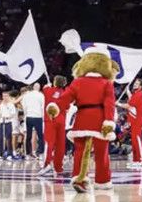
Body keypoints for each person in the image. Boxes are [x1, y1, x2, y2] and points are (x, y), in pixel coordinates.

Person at [51, 49, 117, 193]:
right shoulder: (107, 83)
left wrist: (55, 107)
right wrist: (109, 121)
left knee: (79, 151)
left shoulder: (77, 82)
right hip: (100, 118)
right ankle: (102, 181)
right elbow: (109, 104)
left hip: (82, 118)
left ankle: (79, 179)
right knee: (102, 152)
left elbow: (65, 99)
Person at [40, 75, 68, 176]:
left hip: (50, 120)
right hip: (61, 120)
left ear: (55, 82)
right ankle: (58, 167)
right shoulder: (65, 93)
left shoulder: (48, 90)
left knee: (49, 143)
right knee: (60, 145)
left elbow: (44, 89)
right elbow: (67, 106)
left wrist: (48, 86)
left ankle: (47, 165)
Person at [124, 79, 142, 169]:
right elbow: (131, 99)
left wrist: (117, 104)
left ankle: (141, 159)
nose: (135, 84)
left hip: (138, 119)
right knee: (133, 141)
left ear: (140, 86)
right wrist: (127, 91)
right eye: (135, 83)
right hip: (134, 120)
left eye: (137, 83)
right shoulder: (136, 94)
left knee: (137, 140)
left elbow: (129, 105)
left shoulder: (139, 94)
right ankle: (135, 160)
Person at [21, 81, 46, 159]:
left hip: (29, 116)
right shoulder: (41, 95)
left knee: (28, 136)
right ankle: (41, 153)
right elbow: (43, 106)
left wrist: (26, 114)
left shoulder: (27, 95)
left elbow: (24, 105)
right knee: (40, 136)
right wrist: (42, 116)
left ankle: (28, 154)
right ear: (39, 88)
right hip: (38, 117)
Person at [0, 89, 19, 164]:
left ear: (8, 96)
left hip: (8, 122)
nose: (5, 97)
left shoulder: (11, 104)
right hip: (2, 122)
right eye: (3, 96)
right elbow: (0, 113)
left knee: (9, 138)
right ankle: (0, 154)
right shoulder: (1, 104)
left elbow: (13, 113)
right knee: (1, 138)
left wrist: (7, 116)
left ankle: (9, 154)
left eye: (6, 96)